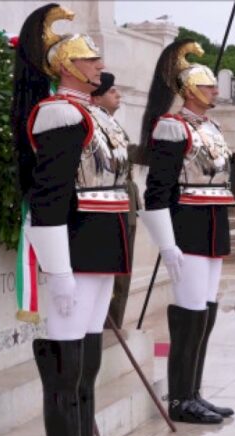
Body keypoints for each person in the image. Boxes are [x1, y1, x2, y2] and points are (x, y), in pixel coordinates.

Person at [11, 3, 136, 436]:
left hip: (103, 244)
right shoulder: (60, 113)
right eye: (87, 58)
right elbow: (50, 195)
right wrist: (58, 272)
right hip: (76, 243)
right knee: (65, 359)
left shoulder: (90, 112)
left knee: (86, 355)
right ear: (65, 66)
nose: (97, 63)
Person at [139, 39, 235, 424]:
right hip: (188, 225)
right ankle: (179, 398)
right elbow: (156, 189)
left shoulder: (211, 126)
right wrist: (166, 244)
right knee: (190, 312)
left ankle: (193, 391)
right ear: (191, 89)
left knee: (206, 312)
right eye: (209, 85)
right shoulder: (172, 127)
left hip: (213, 225)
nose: (215, 91)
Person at [88, 72, 139, 329]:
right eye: (111, 91)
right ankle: (104, 324)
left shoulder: (114, 125)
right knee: (112, 274)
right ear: (96, 98)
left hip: (127, 205)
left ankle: (113, 323)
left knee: (123, 275)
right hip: (109, 204)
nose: (118, 95)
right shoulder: (96, 126)